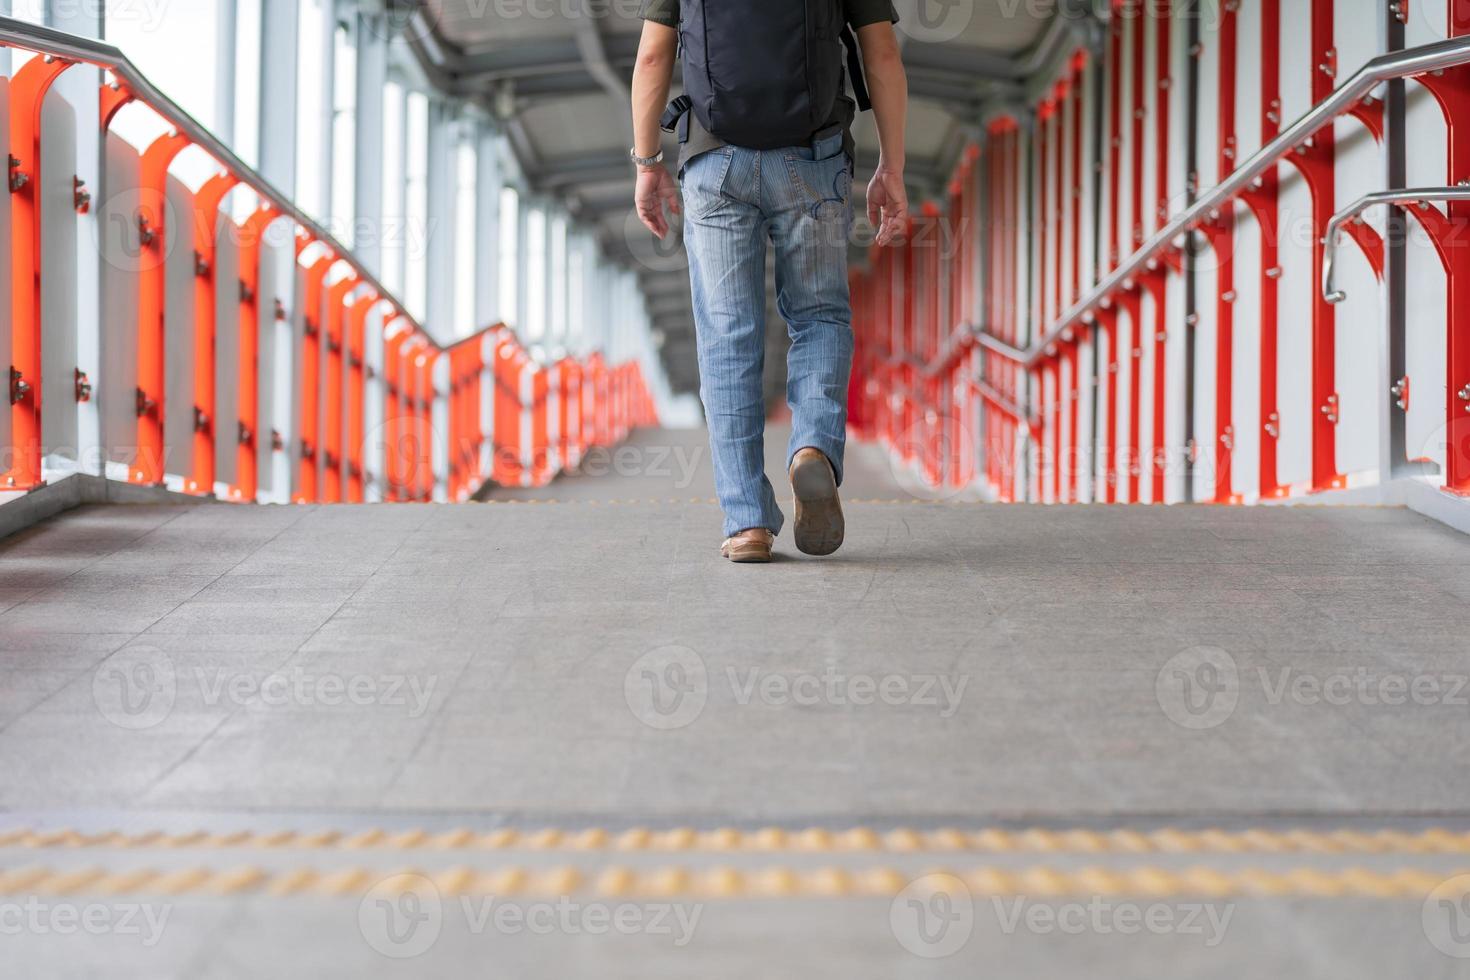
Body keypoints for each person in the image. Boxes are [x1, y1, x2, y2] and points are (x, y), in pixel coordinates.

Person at [630, 0, 909, 563]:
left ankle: (746, 523)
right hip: (812, 157)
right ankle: (813, 447)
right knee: (819, 315)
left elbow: (654, 54)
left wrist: (646, 162)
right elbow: (880, 52)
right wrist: (892, 168)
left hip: (714, 164)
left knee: (727, 337)